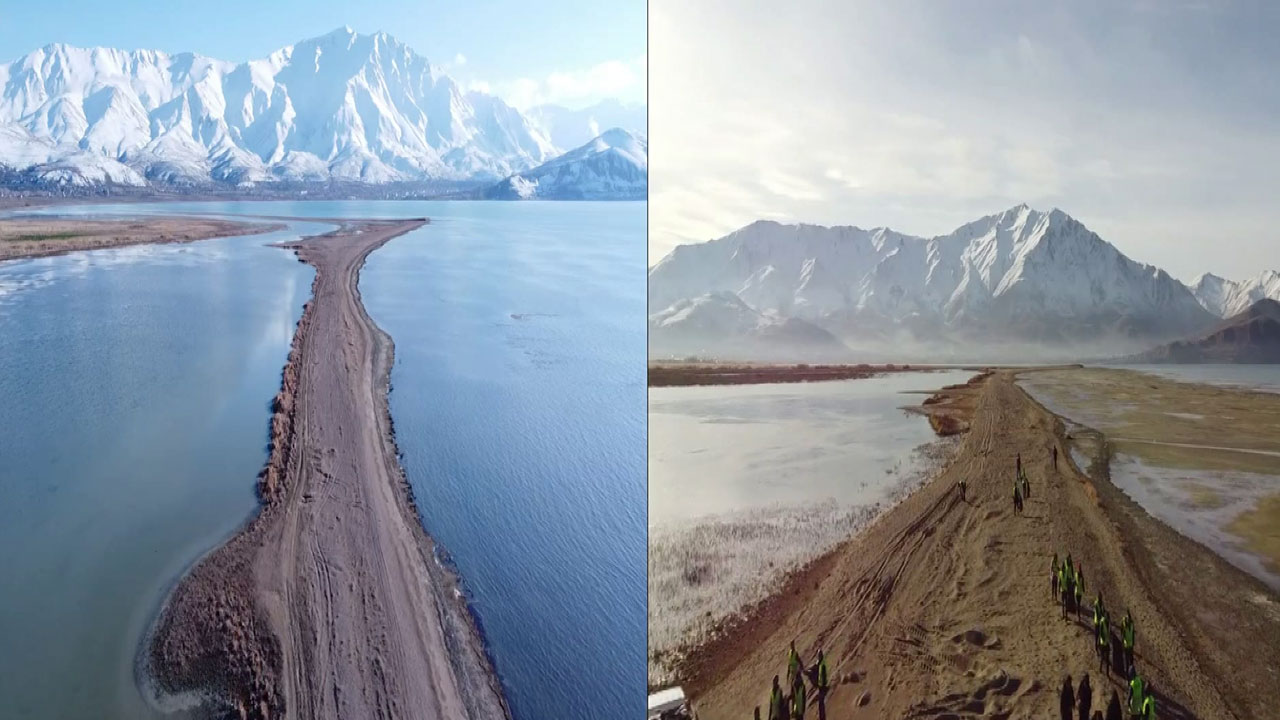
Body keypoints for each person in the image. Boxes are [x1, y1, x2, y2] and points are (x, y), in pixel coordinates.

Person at [814, 649, 829, 720]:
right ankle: (822, 717)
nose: (818, 657)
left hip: (822, 687)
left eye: (819, 655)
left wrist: (822, 685)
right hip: (821, 686)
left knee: (821, 703)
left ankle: (822, 718)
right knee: (821, 703)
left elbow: (823, 676)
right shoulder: (820, 663)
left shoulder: (822, 664)